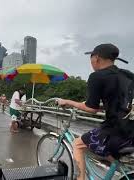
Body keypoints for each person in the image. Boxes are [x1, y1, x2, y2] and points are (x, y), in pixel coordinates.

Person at [58, 43, 134, 180]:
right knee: (105, 151)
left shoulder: (97, 76)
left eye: (91, 59)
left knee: (78, 144)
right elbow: (119, 104)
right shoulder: (127, 75)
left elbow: (91, 109)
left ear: (96, 58)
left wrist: (68, 102)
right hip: (131, 130)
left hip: (116, 131)